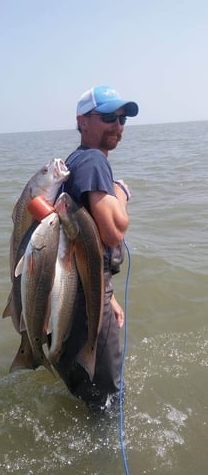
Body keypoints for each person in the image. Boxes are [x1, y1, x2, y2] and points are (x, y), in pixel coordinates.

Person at [52, 85, 139, 409]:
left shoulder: (78, 161)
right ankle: (105, 457)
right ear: (83, 121)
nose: (117, 125)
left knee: (84, 388)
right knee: (108, 397)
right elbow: (113, 231)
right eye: (107, 117)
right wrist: (121, 193)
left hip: (78, 288)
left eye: (121, 119)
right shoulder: (92, 162)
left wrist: (110, 295)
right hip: (87, 298)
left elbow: (89, 243)